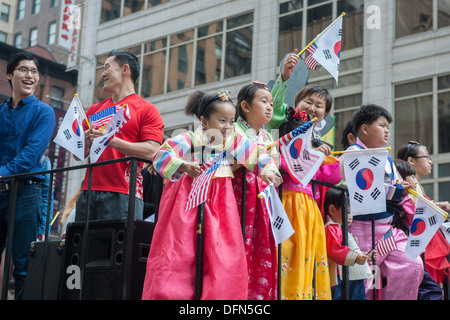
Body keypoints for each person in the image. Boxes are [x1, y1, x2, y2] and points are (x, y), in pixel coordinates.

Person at [141, 90, 281, 300]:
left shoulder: (233, 141)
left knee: (222, 253)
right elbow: (161, 156)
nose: (227, 126)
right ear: (205, 121)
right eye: (222, 120)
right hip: (185, 201)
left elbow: (257, 154)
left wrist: (269, 170)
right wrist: (183, 166)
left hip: (220, 200)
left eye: (232, 121)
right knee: (179, 250)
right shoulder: (189, 138)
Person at [343, 104, 423, 300]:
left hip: (388, 230)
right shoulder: (353, 153)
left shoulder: (386, 160)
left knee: (413, 265)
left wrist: (402, 189)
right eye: (382, 125)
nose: (387, 130)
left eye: (388, 126)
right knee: (366, 285)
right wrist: (397, 190)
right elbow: (366, 187)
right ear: (365, 128)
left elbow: (394, 189)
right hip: (360, 230)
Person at [75, 49, 164, 222]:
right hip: (87, 192)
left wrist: (112, 141)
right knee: (84, 248)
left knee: (119, 248)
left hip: (124, 193)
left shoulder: (147, 109)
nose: (103, 74)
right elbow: (78, 155)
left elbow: (154, 151)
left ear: (125, 69)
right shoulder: (94, 109)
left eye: (107, 67)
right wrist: (84, 141)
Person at [0, 52, 56, 299]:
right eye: (24, 70)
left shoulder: (45, 112)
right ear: (10, 75)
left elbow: (30, 156)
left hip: (26, 194)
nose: (30, 75)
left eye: (34, 72)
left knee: (23, 267)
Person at [276, 96, 341, 300]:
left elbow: (333, 176)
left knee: (308, 253)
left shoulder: (311, 155)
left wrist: (322, 155)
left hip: (309, 210)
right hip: (286, 203)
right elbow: (284, 165)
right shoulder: (280, 152)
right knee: (288, 252)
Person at [232, 80, 279, 300]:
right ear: (245, 106)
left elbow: (275, 169)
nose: (269, 107)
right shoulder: (232, 130)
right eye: (263, 101)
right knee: (238, 246)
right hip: (238, 199)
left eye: (271, 102)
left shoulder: (269, 137)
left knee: (260, 249)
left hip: (261, 201)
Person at [397, 141, 450, 297]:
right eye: (426, 157)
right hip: (418, 242)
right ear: (411, 161)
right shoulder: (408, 186)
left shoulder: (417, 185)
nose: (430, 161)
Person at [324, 188, 377, 300]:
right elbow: (335, 250)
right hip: (341, 276)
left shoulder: (339, 228)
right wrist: (356, 257)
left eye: (351, 213)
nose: (350, 216)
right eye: (347, 212)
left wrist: (366, 257)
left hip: (351, 275)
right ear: (332, 210)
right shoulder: (332, 228)